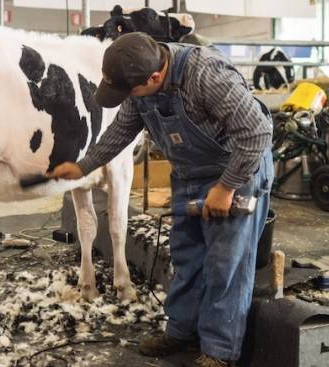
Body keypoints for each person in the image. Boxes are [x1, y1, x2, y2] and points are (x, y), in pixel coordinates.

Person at [50, 33, 274, 367]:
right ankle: (182, 330)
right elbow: (122, 130)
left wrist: (227, 187)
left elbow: (257, 133)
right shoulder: (139, 78)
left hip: (236, 169)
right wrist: (84, 165)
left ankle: (219, 351)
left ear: (155, 77)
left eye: (130, 92)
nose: (128, 98)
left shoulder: (206, 75)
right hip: (189, 172)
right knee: (186, 256)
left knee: (226, 264)